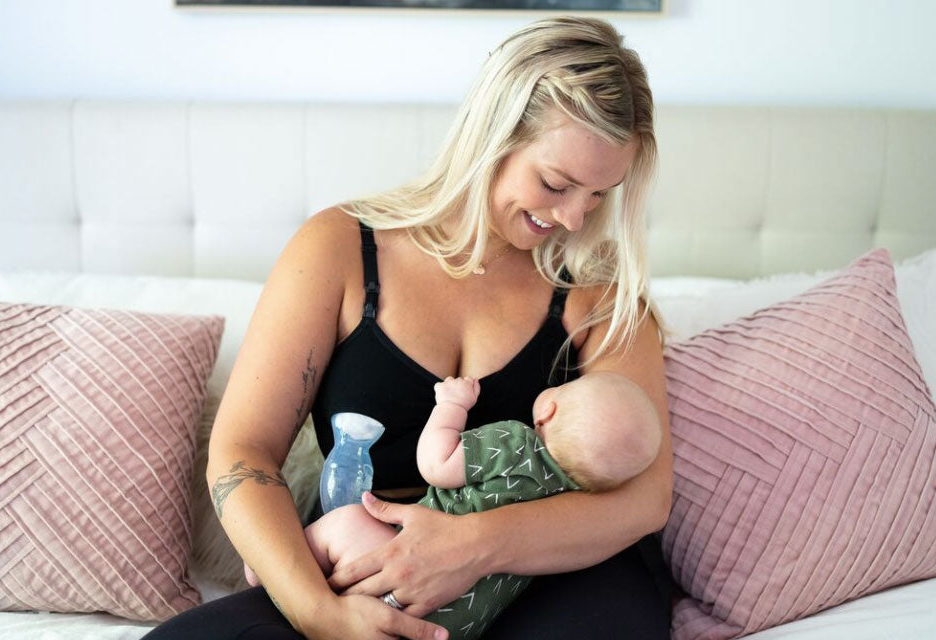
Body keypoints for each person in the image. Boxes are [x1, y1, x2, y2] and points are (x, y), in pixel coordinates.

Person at [145, 14, 674, 640]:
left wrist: (474, 545)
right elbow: (242, 451)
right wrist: (321, 614)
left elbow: (644, 499)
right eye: (555, 183)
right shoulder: (340, 249)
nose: (571, 216)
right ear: (493, 136)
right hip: (362, 571)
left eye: (597, 196)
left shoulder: (601, 296)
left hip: (551, 580)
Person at [243, 372, 663, 639]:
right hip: (463, 621)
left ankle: (277, 562)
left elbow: (436, 464)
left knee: (346, 520)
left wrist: (451, 407)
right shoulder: (574, 501)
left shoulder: (518, 445)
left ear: (549, 406)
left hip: (405, 569)